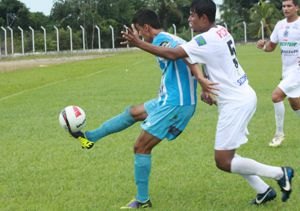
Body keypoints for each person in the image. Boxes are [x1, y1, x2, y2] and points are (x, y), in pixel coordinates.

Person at [122, 0, 295, 206]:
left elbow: (174, 54)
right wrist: (206, 85)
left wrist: (140, 43)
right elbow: (206, 59)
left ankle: (279, 173)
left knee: (223, 160)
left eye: (193, 15)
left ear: (204, 18)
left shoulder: (205, 39)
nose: (189, 19)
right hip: (239, 96)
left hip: (236, 102)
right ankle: (263, 190)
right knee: (229, 151)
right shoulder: (221, 31)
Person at [68, 9, 217, 209]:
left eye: (139, 31)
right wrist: (205, 82)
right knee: (133, 112)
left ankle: (142, 200)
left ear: (146, 27)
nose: (138, 35)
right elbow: (197, 55)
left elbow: (185, 56)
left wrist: (201, 80)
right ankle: (89, 138)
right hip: (167, 100)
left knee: (141, 147)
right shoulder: (166, 38)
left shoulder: (163, 40)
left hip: (175, 104)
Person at [256, 0, 300, 147]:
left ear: (297, 7)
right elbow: (271, 47)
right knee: (295, 104)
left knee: (276, 96)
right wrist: (263, 46)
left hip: (298, 70)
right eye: (284, 6)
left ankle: (279, 134)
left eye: (289, 6)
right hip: (287, 71)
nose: (286, 9)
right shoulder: (280, 25)